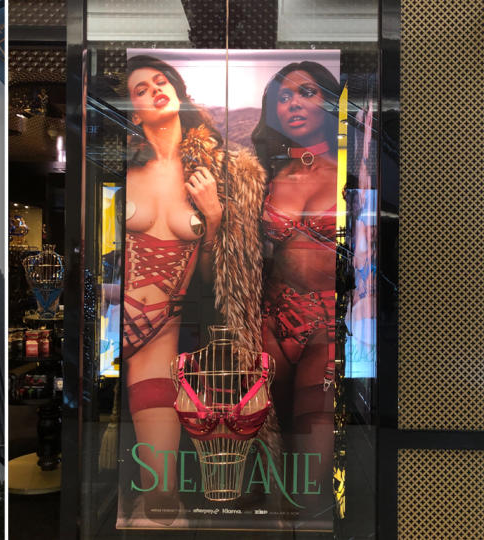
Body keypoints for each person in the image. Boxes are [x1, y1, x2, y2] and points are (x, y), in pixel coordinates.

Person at [122, 55, 265, 522]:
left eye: (161, 81)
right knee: (153, 499)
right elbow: (94, 257)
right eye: (140, 89)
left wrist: (216, 216)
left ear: (179, 92)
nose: (153, 90)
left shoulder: (220, 167)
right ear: (133, 111)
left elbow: (219, 280)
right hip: (119, 330)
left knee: (163, 498)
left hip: (167, 334)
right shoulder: (121, 166)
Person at [251, 61, 341, 516]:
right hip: (270, 318)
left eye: (306, 93)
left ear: (328, 100)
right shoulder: (264, 173)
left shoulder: (352, 168)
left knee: (310, 483)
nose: (294, 104)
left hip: (325, 326)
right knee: (260, 457)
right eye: (284, 97)